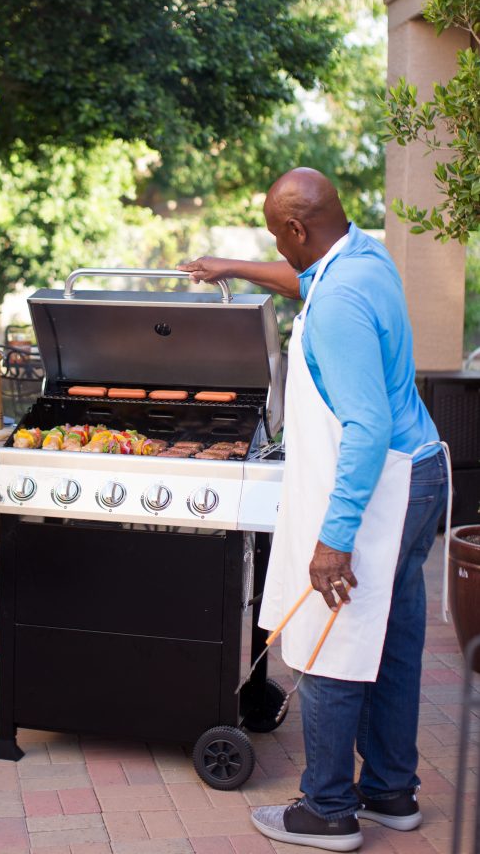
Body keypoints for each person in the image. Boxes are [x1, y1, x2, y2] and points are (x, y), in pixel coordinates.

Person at [179, 167, 448, 853]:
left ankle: (326, 811)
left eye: (277, 237)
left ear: (298, 229)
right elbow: (305, 279)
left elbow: (363, 426)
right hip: (419, 472)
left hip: (379, 485)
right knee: (388, 645)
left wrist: (334, 538)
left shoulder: (338, 306)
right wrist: (229, 267)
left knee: (329, 640)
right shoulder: (361, 256)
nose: (280, 248)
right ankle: (389, 792)